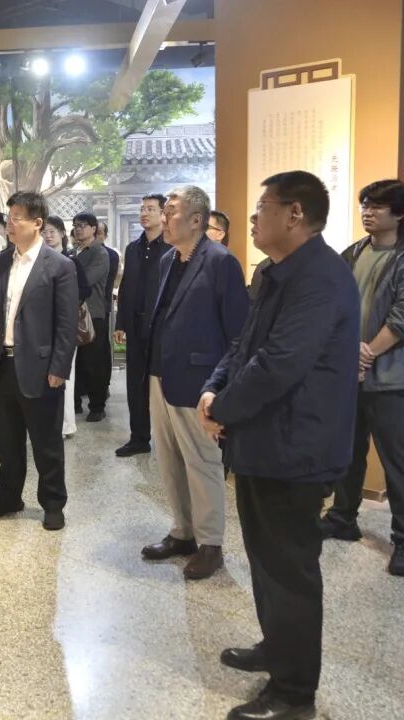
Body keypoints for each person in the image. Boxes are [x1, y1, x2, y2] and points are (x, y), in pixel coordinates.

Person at [198, 171, 359, 720]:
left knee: (290, 571)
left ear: (295, 214)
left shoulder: (321, 277)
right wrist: (214, 388)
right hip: (262, 442)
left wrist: (222, 409)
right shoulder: (273, 271)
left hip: (296, 447)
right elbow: (245, 344)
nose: (252, 216)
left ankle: (293, 694)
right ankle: (277, 647)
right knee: (266, 562)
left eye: (263, 206)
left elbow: (280, 363)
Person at [322, 179, 404, 576]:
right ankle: (343, 517)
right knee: (347, 452)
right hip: (347, 374)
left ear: (399, 213)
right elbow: (332, 302)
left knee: (398, 461)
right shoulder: (353, 252)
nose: (367, 212)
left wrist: (367, 351)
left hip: (391, 377)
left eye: (377, 206)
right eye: (365, 205)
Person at [140, 186, 248, 580]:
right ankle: (182, 532)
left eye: (171, 211)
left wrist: (220, 386)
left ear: (197, 219)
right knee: (169, 460)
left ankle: (210, 545)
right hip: (161, 375)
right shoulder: (168, 260)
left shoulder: (220, 262)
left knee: (202, 464)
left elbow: (238, 333)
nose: (164, 218)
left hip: (198, 380)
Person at [0, 192, 78, 531]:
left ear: (37, 223)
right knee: (8, 440)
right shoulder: (2, 262)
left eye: (17, 217)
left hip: (41, 367)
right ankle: (9, 496)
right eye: (9, 217)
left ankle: (53, 503)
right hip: (2, 364)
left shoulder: (59, 266)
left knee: (47, 443)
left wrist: (59, 368)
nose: (10, 223)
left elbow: (66, 324)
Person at [114, 194, 168, 456]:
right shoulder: (133, 248)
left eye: (151, 209)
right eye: (142, 209)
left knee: (162, 384)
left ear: (163, 214)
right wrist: (120, 322)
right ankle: (139, 438)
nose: (144, 213)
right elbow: (125, 287)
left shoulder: (172, 248)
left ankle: (168, 440)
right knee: (135, 383)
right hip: (135, 325)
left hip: (161, 327)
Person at [43, 216, 85, 438]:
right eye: (44, 232)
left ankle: (66, 424)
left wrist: (66, 305)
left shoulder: (70, 261)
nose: (48, 236)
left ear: (61, 233)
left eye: (52, 231)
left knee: (66, 375)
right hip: (42, 329)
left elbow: (84, 289)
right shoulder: (40, 261)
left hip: (64, 327)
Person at [71, 213, 110, 421]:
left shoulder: (99, 252)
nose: (78, 229)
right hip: (74, 314)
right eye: (75, 226)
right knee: (77, 363)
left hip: (93, 315)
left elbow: (86, 279)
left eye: (83, 225)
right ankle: (76, 403)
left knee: (94, 364)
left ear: (94, 229)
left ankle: (97, 406)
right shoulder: (76, 252)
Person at [97, 220, 120, 396]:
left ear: (105, 235)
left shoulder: (110, 255)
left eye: (99, 233)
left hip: (102, 307)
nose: (95, 236)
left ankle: (102, 386)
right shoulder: (80, 253)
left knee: (101, 348)